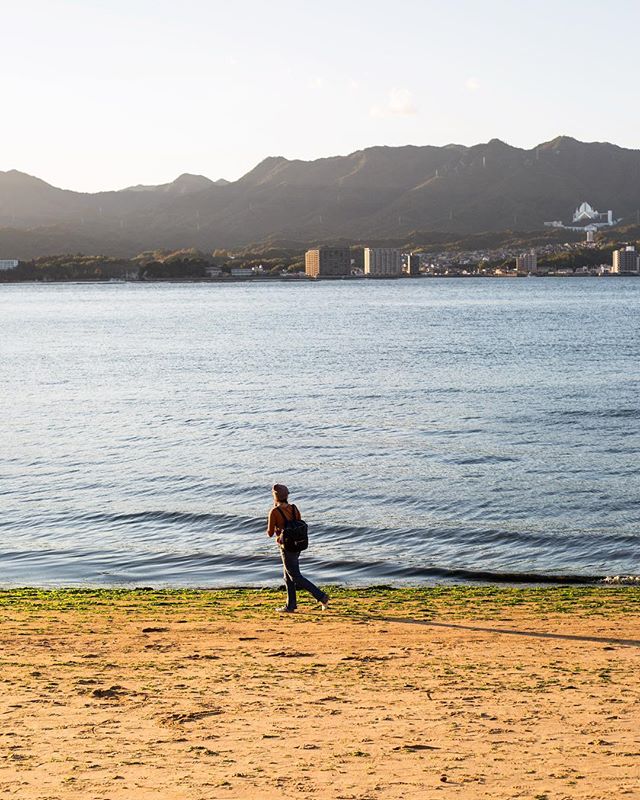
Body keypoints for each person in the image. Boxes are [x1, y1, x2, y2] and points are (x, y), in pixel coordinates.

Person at [267, 484, 329, 613]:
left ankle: (321, 596)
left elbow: (270, 532)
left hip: (286, 546)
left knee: (295, 576)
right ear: (287, 496)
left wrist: (277, 526)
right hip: (298, 544)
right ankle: (291, 605)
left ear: (275, 497)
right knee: (288, 576)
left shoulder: (274, 512)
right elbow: (298, 523)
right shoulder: (294, 508)